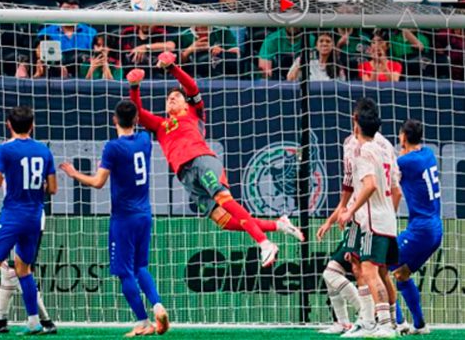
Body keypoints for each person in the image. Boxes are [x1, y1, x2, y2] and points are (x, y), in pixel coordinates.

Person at [127, 52, 304, 268]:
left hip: (201, 160)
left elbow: (191, 87)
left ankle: (264, 243)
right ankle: (278, 225)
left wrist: (172, 68)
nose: (171, 98)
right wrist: (134, 87)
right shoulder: (161, 125)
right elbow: (136, 113)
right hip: (186, 176)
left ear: (186, 105)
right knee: (225, 221)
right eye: (168, 98)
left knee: (225, 200)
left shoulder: (194, 114)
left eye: (176, 97)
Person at [60, 100, 169, 337]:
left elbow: (98, 182)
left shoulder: (113, 147)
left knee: (123, 271)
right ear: (137, 120)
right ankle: (158, 304)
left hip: (123, 218)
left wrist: (73, 173)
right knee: (140, 266)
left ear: (114, 120)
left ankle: (143, 321)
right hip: (144, 214)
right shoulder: (144, 141)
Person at [0, 106, 57, 335]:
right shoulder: (44, 151)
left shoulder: (5, 150)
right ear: (32, 125)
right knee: (23, 269)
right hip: (35, 216)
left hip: (13, 214)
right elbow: (53, 189)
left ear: (9, 124)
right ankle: (34, 322)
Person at [316, 100, 398, 335]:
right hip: (384, 217)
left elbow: (367, 185)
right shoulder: (381, 148)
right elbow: (393, 187)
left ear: (355, 122)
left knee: (369, 270)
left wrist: (349, 211)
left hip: (370, 220)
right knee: (371, 269)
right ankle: (384, 321)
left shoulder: (361, 150)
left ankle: (378, 322)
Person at [0, 181, 56, 334]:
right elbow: (49, 188)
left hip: (15, 217)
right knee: (10, 270)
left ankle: (44, 321)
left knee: (14, 270)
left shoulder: (7, 156)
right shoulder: (42, 157)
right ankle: (1, 320)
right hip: (34, 217)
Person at [390, 119, 442, 335]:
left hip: (421, 230)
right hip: (435, 228)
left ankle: (398, 322)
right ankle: (419, 325)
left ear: (403, 137)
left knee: (379, 264)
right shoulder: (428, 153)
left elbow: (388, 167)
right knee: (401, 273)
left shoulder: (406, 162)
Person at [35, 0, 97, 78]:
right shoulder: (45, 32)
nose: (70, 13)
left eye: (74, 10)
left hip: (84, 75)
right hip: (54, 75)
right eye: (66, 9)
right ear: (59, 10)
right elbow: (40, 56)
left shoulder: (91, 32)